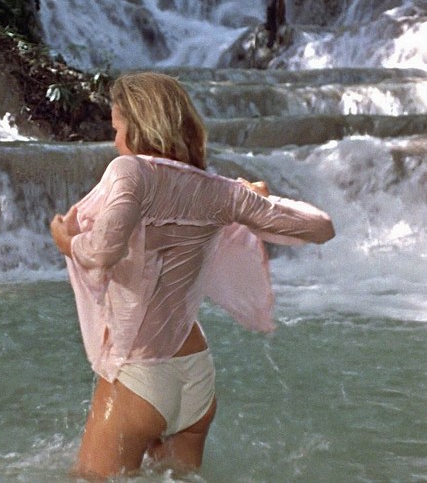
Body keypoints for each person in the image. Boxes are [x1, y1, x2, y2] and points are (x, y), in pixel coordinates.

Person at [50, 71, 335, 478]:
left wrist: (65, 241)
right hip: (196, 377)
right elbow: (321, 226)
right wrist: (261, 199)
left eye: (117, 129)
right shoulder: (222, 191)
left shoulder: (130, 171)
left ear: (139, 126)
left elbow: (102, 251)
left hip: (140, 373)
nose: (115, 141)